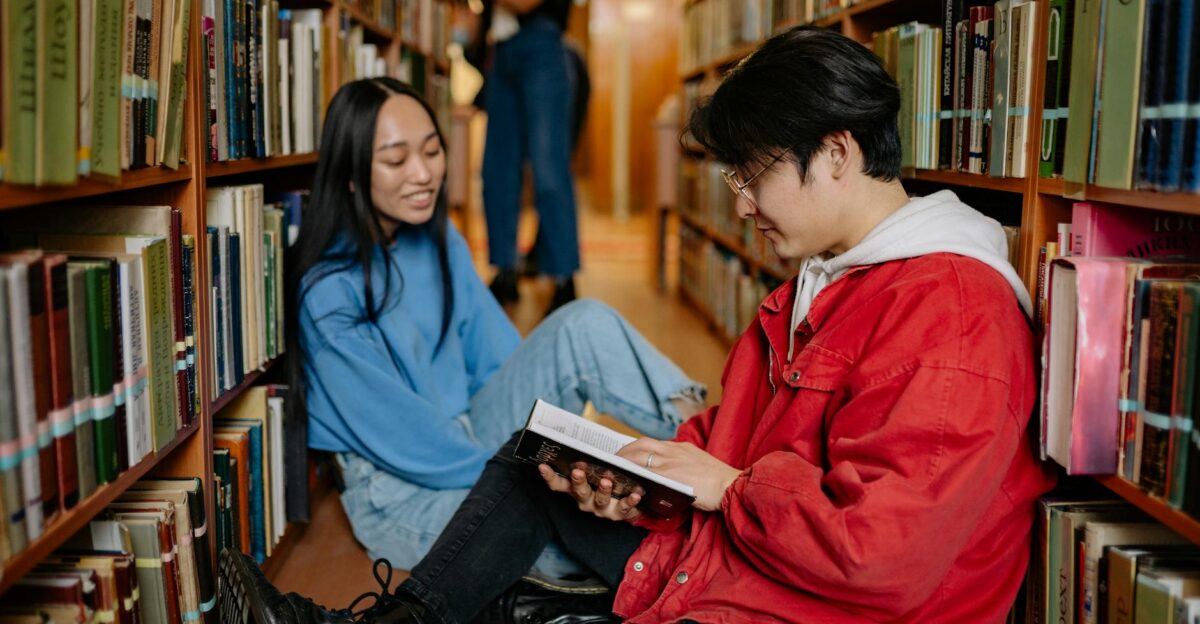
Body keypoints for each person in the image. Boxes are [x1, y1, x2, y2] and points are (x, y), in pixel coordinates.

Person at [245, 26, 1056, 623]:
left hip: (790, 596)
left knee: (519, 517)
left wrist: (725, 485)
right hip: (746, 557)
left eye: (752, 175)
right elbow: (739, 431)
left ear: (836, 153)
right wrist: (642, 474)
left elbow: (886, 558)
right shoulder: (829, 281)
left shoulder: (949, 319)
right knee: (533, 476)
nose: (739, 203)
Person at [284, 77, 706, 579]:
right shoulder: (328, 292)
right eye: (396, 161)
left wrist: (566, 447)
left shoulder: (438, 241)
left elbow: (504, 362)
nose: (423, 174)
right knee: (604, 544)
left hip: (480, 439)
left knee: (582, 322)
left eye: (433, 151)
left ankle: (715, 454)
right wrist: (537, 475)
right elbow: (409, 442)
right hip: (405, 490)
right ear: (350, 175)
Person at [479, 0, 581, 312]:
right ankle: (504, 270)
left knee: (548, 170)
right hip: (501, 48)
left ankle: (563, 278)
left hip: (541, 46)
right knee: (496, 170)